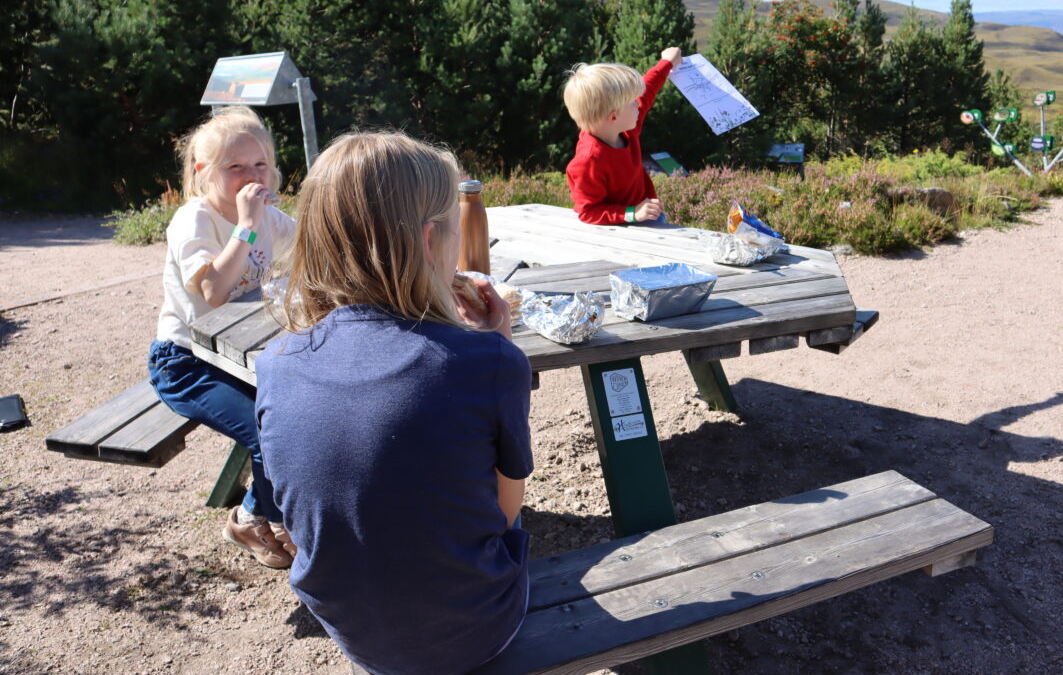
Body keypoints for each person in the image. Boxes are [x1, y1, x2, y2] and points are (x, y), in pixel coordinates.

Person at [255, 132, 533, 675]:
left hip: (356, 636)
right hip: (477, 634)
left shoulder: (275, 363)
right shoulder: (490, 362)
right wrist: (496, 342)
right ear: (431, 241)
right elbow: (503, 512)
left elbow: (294, 513)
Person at [147, 106, 297, 568]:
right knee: (268, 429)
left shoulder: (270, 218)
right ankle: (254, 517)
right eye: (235, 167)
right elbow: (213, 291)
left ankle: (267, 511)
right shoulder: (195, 219)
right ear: (203, 172)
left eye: (259, 165)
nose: (249, 176)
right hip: (186, 362)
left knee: (310, 407)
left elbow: (317, 247)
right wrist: (246, 225)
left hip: (248, 354)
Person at [564, 46, 683, 225]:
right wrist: (633, 213)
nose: (638, 104)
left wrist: (667, 62)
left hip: (646, 215)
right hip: (622, 231)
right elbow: (588, 212)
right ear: (613, 116)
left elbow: (648, 90)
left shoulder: (623, 128)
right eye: (632, 102)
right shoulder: (588, 161)